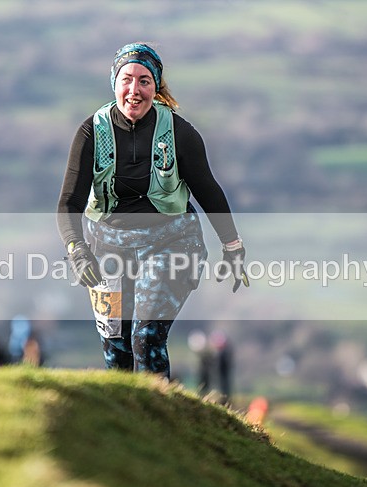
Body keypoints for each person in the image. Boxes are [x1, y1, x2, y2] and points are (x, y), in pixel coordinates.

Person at [56, 43, 248, 379]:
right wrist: (77, 250)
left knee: (145, 337)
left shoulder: (179, 133)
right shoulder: (91, 132)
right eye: (127, 79)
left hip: (171, 244)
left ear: (156, 87)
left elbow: (208, 191)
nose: (134, 90)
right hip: (108, 249)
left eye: (144, 81)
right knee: (117, 350)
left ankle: (160, 418)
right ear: (114, 82)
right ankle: (125, 426)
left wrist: (232, 246)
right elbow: (68, 203)